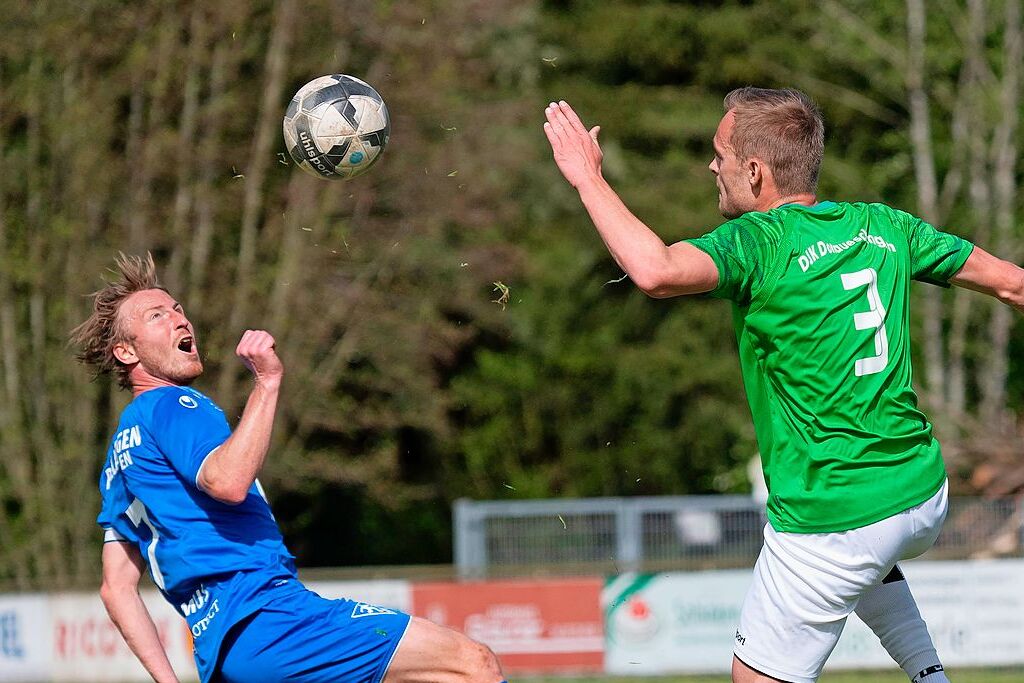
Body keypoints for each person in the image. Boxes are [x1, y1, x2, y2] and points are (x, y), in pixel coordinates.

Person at [544, 88, 1024, 683]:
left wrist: (588, 178)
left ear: (754, 170)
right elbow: (1015, 285)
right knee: (869, 554)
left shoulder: (760, 243)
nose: (710, 166)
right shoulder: (885, 225)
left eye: (719, 154)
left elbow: (656, 271)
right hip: (921, 492)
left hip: (833, 515)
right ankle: (931, 675)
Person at [72, 253, 507, 683]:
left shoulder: (120, 454)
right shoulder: (174, 404)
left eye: (178, 309)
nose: (180, 320)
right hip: (271, 619)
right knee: (472, 665)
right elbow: (226, 481)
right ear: (126, 351)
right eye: (157, 315)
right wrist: (267, 382)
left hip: (222, 652)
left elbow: (116, 587)